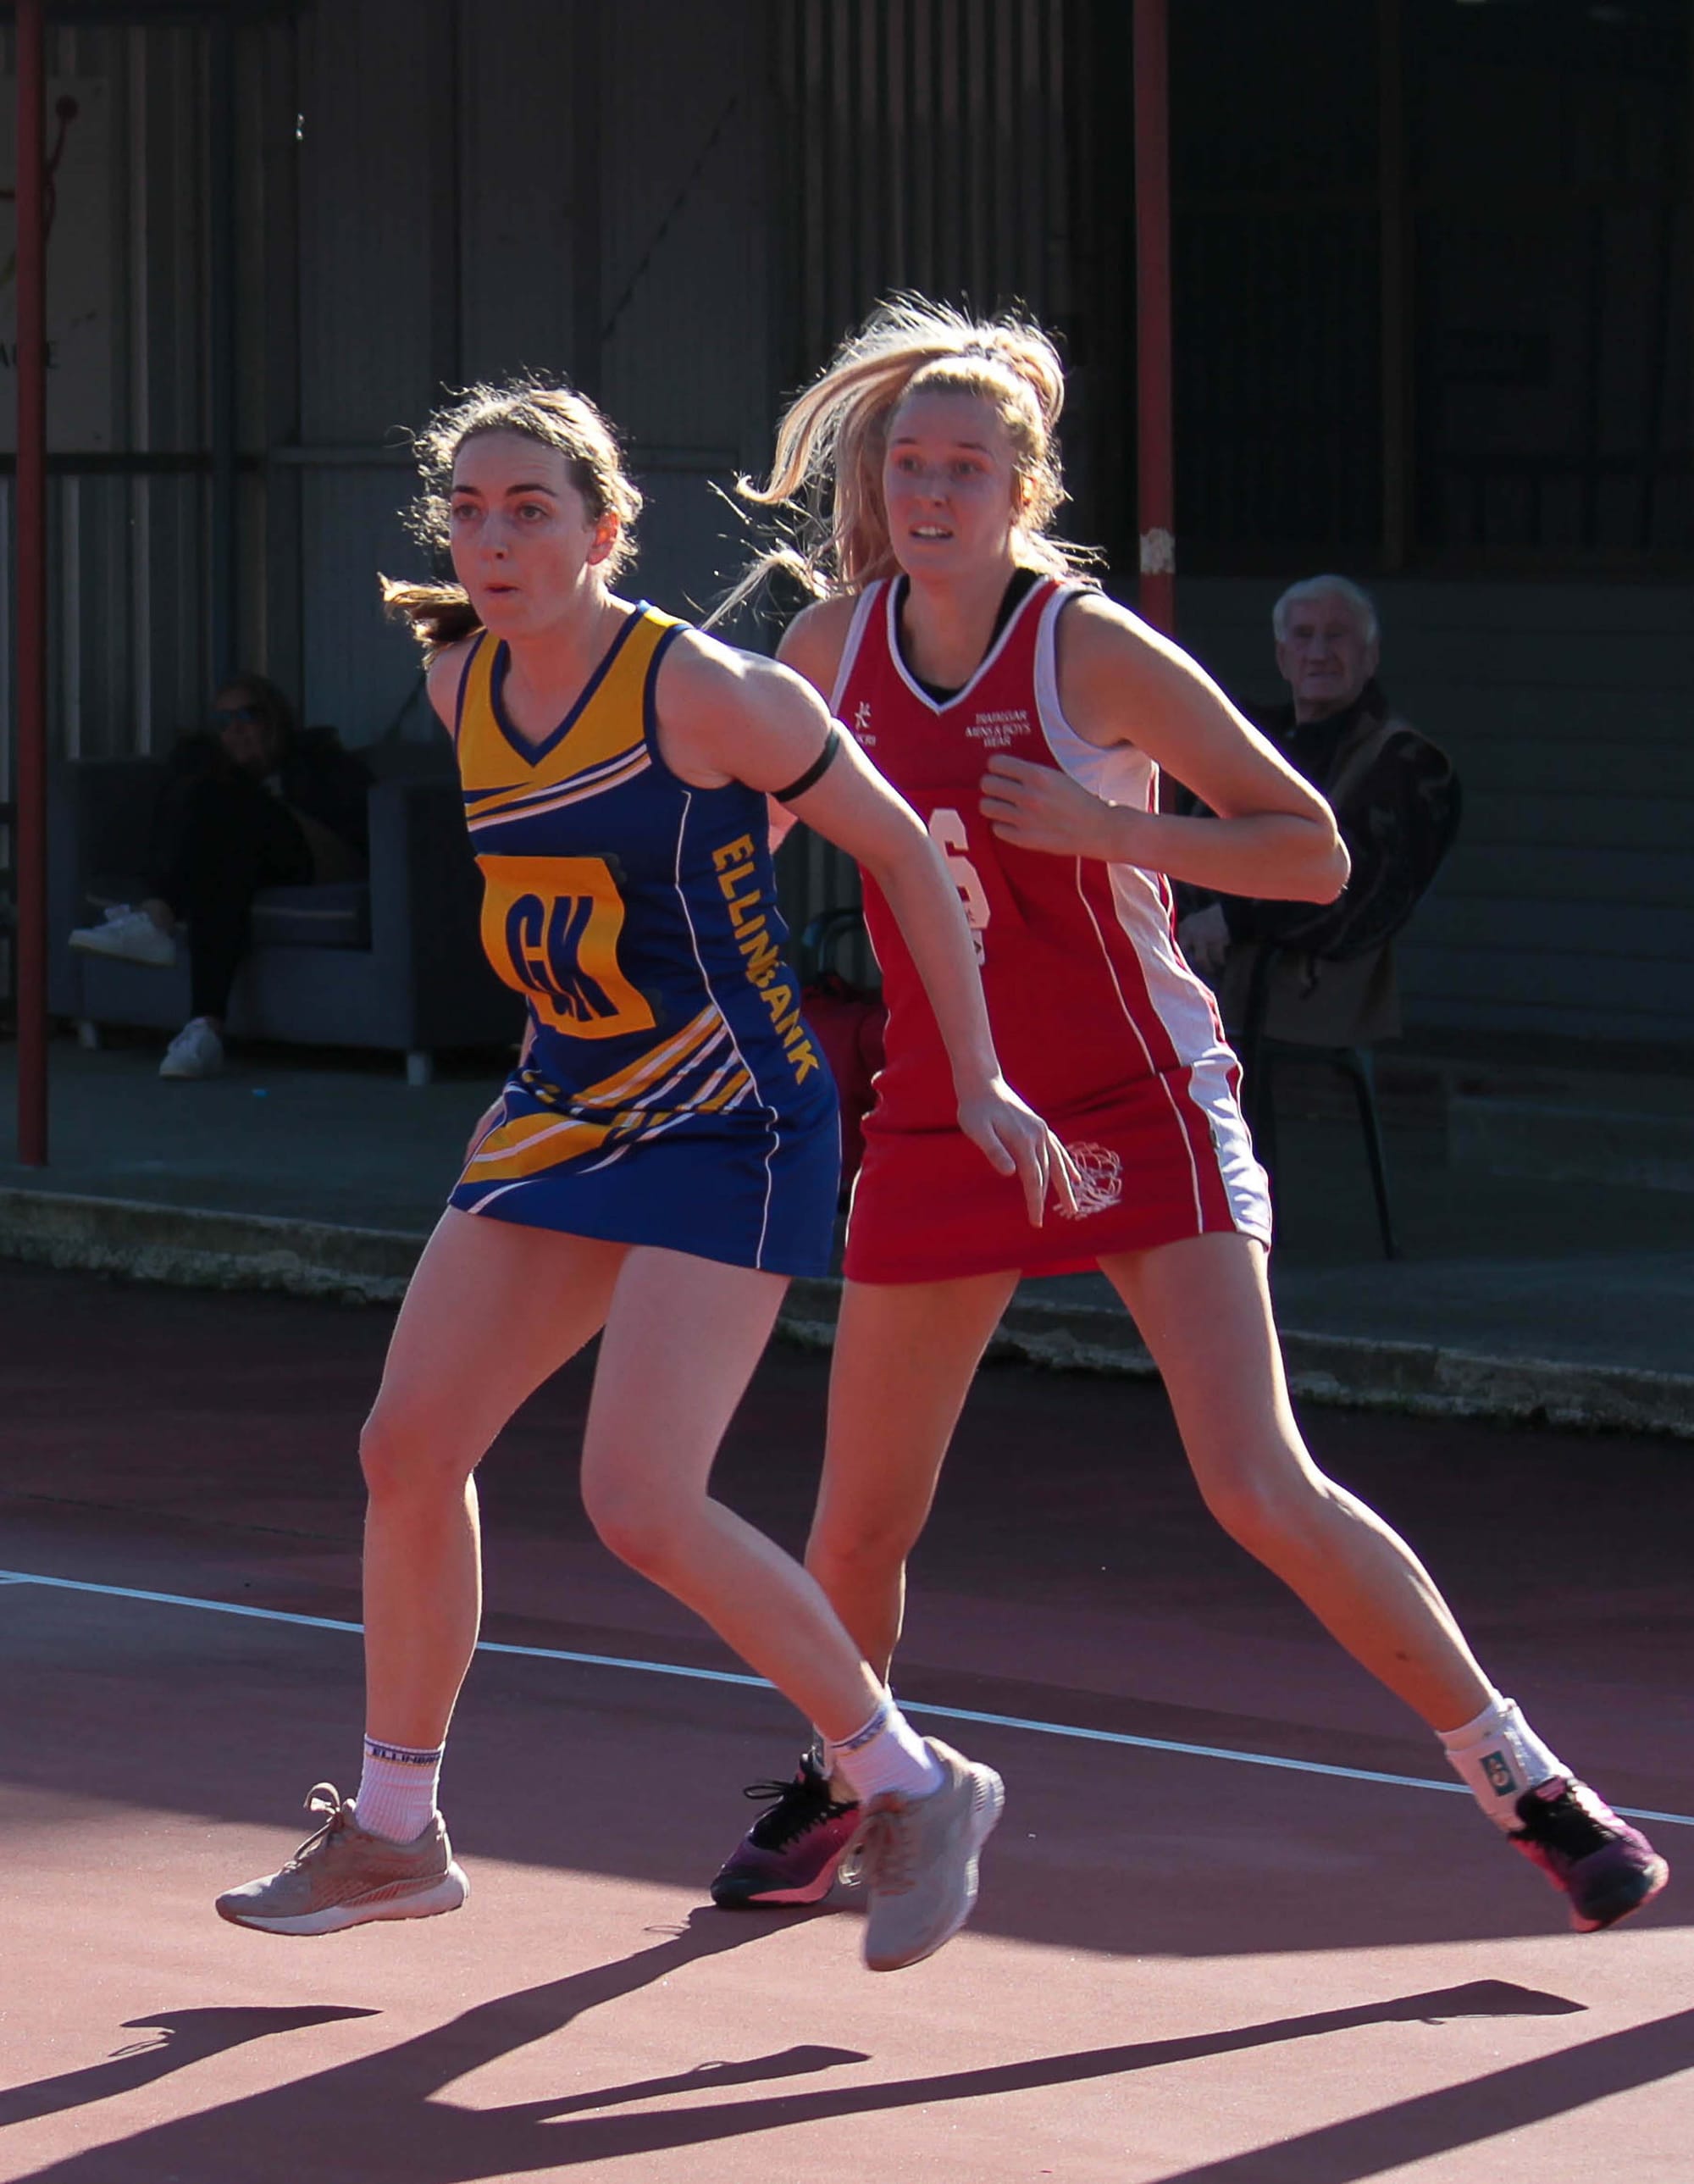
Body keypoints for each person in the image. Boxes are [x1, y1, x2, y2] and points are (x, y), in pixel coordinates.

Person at [707, 298, 1668, 1936]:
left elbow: (1310, 853)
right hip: (946, 1109)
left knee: (1255, 1481)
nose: (933, 491)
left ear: (1023, 490)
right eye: (907, 465)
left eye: (967, 467)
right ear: (875, 485)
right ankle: (852, 1770)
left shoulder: (1088, 649)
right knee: (859, 1514)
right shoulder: (824, 654)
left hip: (1137, 1093)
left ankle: (1524, 1776)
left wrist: (1103, 823)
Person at [213, 378, 1074, 1975]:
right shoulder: (463, 683)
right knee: (408, 1446)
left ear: (606, 530)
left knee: (639, 1498)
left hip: (731, 1117)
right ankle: (397, 1833)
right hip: (565, 1101)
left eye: (529, 508)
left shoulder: (711, 693)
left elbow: (899, 849)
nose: (491, 537)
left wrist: (975, 1070)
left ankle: (913, 1780)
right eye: (467, 509)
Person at [1176, 576, 1459, 1047]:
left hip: (1309, 1025)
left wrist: (1233, 917)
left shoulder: (1409, 764)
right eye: (1304, 635)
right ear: (1283, 657)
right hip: (1205, 1003)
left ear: (1371, 657)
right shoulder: (1251, 743)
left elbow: (1361, 898)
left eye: (1337, 635)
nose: (1319, 652)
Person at [68, 674, 372, 1079]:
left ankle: (155, 917)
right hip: (251, 855)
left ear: (275, 719)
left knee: (221, 806)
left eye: (248, 715)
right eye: (224, 721)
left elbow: (358, 820)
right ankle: (204, 1028)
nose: (236, 729)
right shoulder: (221, 778)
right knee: (220, 866)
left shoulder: (317, 758)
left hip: (319, 854)